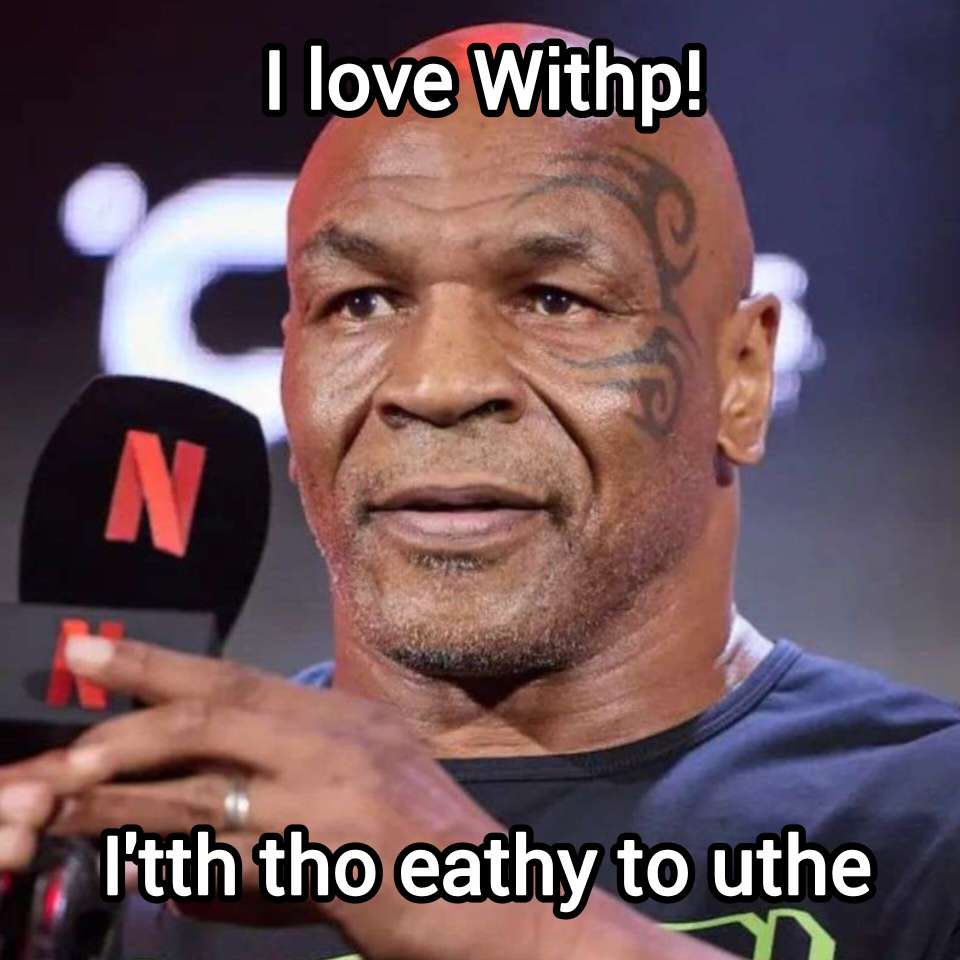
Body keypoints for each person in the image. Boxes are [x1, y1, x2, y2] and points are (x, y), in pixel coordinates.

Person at [1, 22, 958, 960]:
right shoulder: (120, 858)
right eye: (361, 302)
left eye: (555, 299)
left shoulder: (931, 816)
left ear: (742, 378)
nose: (437, 383)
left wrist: (495, 912)